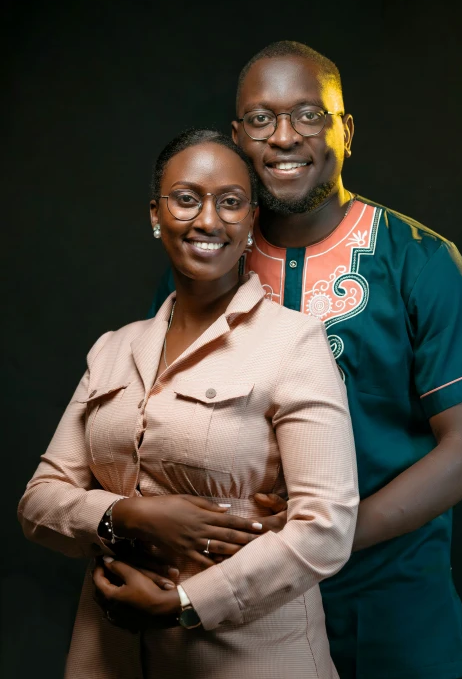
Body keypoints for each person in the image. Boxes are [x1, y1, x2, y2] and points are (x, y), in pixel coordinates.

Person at [150, 41, 462, 679]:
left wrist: (316, 545)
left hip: (394, 616)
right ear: (239, 137)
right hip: (241, 621)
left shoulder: (422, 261)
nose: (285, 136)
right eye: (262, 120)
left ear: (345, 130)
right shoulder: (208, 268)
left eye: (308, 115)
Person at [18, 129, 359, 679]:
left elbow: (327, 528)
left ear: (251, 222)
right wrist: (127, 515)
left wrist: (184, 605)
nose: (207, 220)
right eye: (185, 199)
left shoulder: (294, 343)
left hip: (253, 658)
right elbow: (39, 502)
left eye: (229, 203)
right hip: (110, 655)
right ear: (156, 214)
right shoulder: (112, 349)